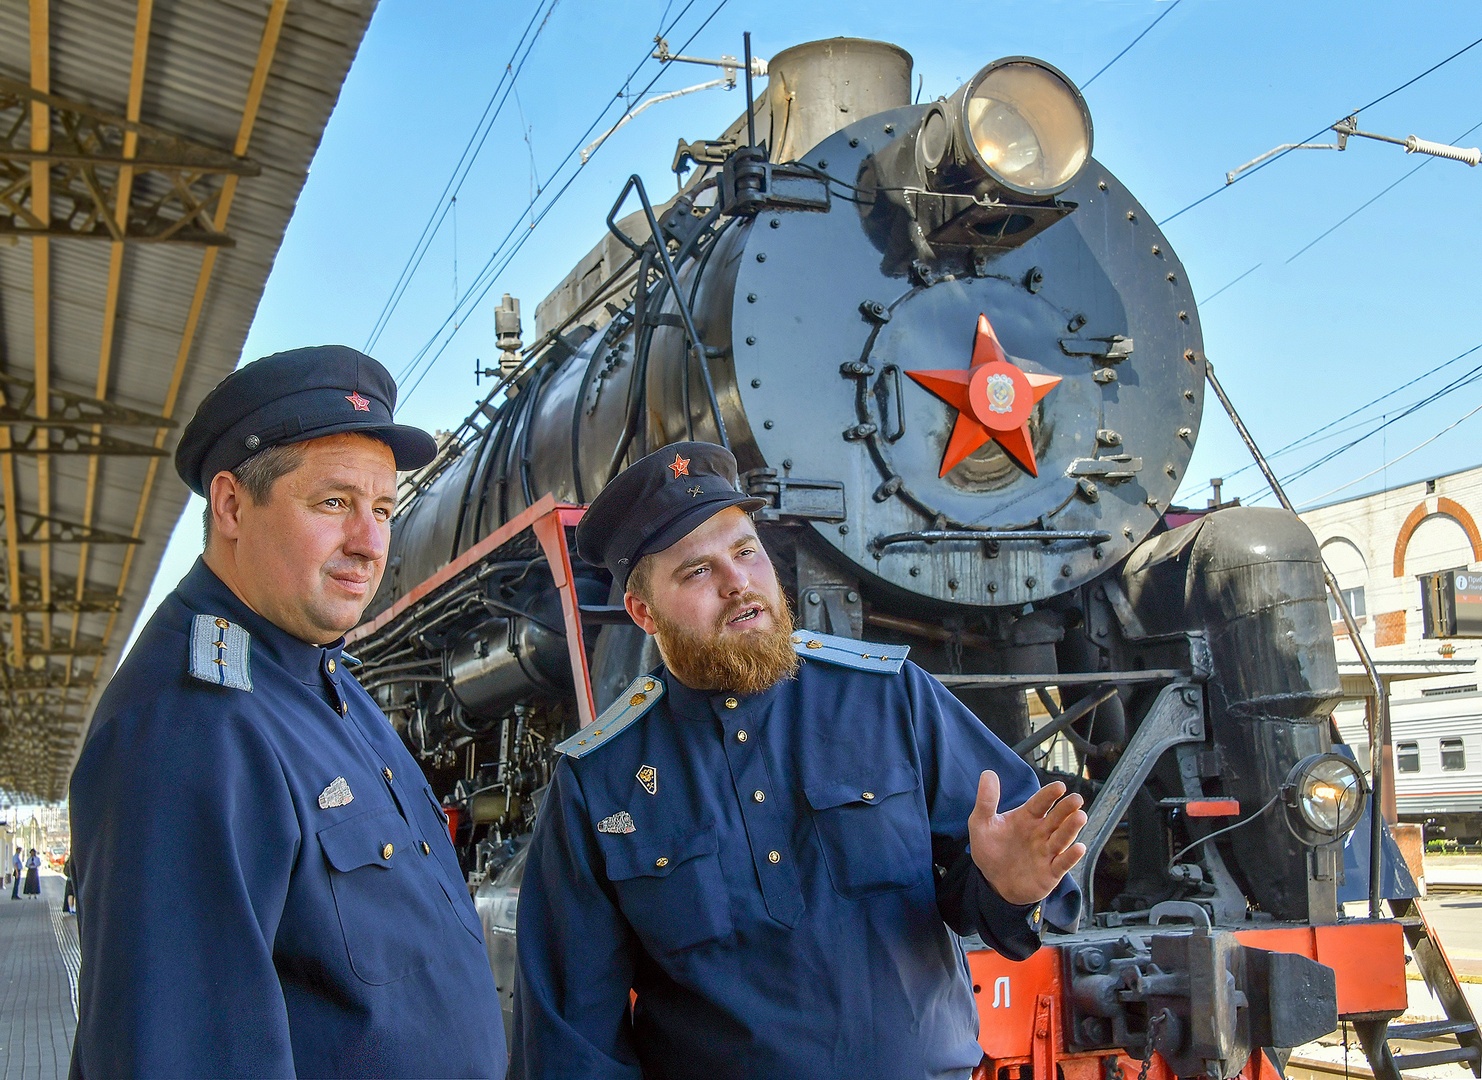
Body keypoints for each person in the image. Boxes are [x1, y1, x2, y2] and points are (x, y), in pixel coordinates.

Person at [512, 442, 1086, 1080]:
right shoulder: (599, 780)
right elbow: (572, 1042)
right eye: (696, 572)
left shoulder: (891, 695)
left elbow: (1015, 886)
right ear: (644, 613)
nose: (739, 585)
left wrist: (1009, 887)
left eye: (745, 550)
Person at [69, 347, 506, 1078]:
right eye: (333, 503)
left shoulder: (323, 680)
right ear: (233, 506)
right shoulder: (190, 723)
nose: (369, 543)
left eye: (383, 510)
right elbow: (179, 1056)